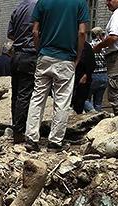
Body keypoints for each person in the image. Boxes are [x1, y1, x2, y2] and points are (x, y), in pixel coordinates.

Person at [24, 0, 90, 151]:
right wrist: (78, 57)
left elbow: (34, 31)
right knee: (62, 101)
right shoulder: (79, 3)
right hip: (66, 58)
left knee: (37, 98)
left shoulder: (43, 2)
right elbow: (81, 32)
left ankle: (31, 138)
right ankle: (54, 142)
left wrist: (39, 50)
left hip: (45, 56)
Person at [7, 0, 38, 143]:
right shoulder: (39, 6)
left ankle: (16, 128)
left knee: (16, 94)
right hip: (30, 54)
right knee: (26, 95)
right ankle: (21, 131)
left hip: (16, 55)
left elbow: (10, 34)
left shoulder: (18, 8)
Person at [84, 27, 108, 112]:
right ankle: (98, 118)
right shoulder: (106, 48)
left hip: (92, 75)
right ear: (99, 35)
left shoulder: (89, 46)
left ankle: (92, 112)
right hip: (104, 74)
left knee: (85, 99)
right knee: (98, 102)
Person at [71, 41, 95, 114]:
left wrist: (86, 75)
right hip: (72, 76)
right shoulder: (71, 43)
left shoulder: (85, 46)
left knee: (79, 102)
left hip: (81, 78)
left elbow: (91, 63)